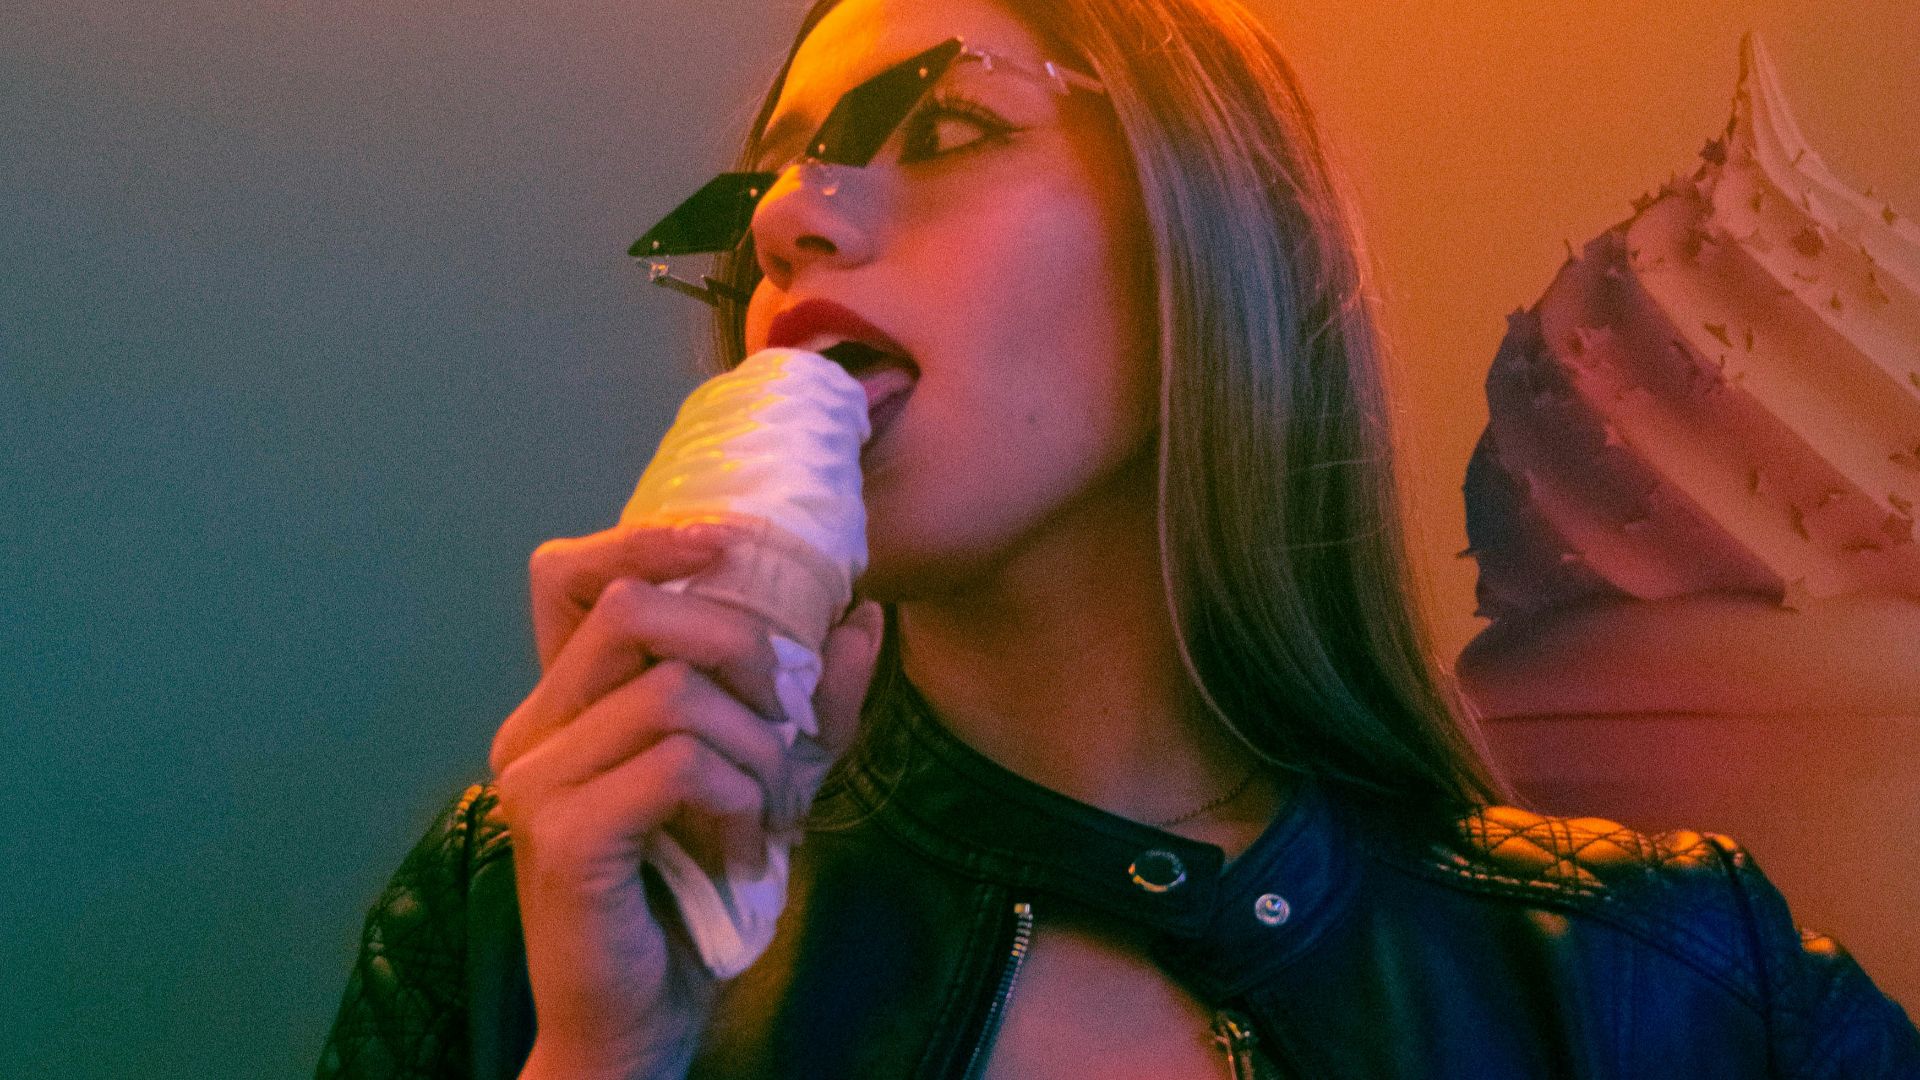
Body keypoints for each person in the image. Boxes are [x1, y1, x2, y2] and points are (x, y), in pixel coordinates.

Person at [315, 0, 1920, 1076]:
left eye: (941, 129)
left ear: (1214, 242)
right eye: (767, 190)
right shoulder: (522, 919)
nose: (789, 218)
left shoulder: (1680, 987)